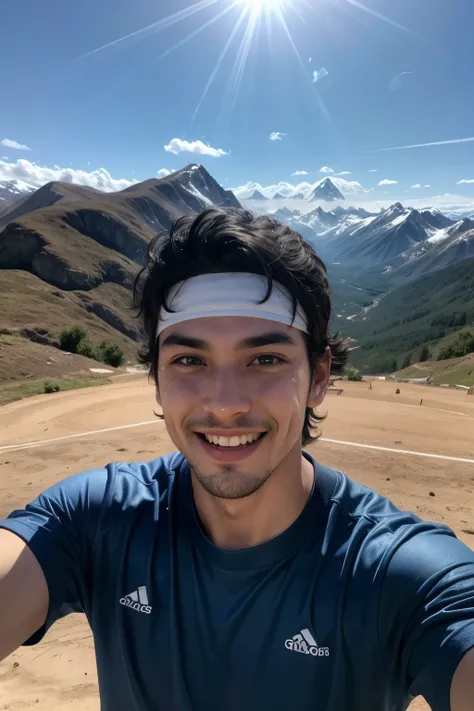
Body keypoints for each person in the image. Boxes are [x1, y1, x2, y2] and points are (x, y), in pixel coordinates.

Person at [0, 208, 473, 711]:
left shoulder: (397, 573)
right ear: (157, 378)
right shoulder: (93, 520)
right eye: (189, 360)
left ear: (317, 377)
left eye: (265, 359)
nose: (225, 403)